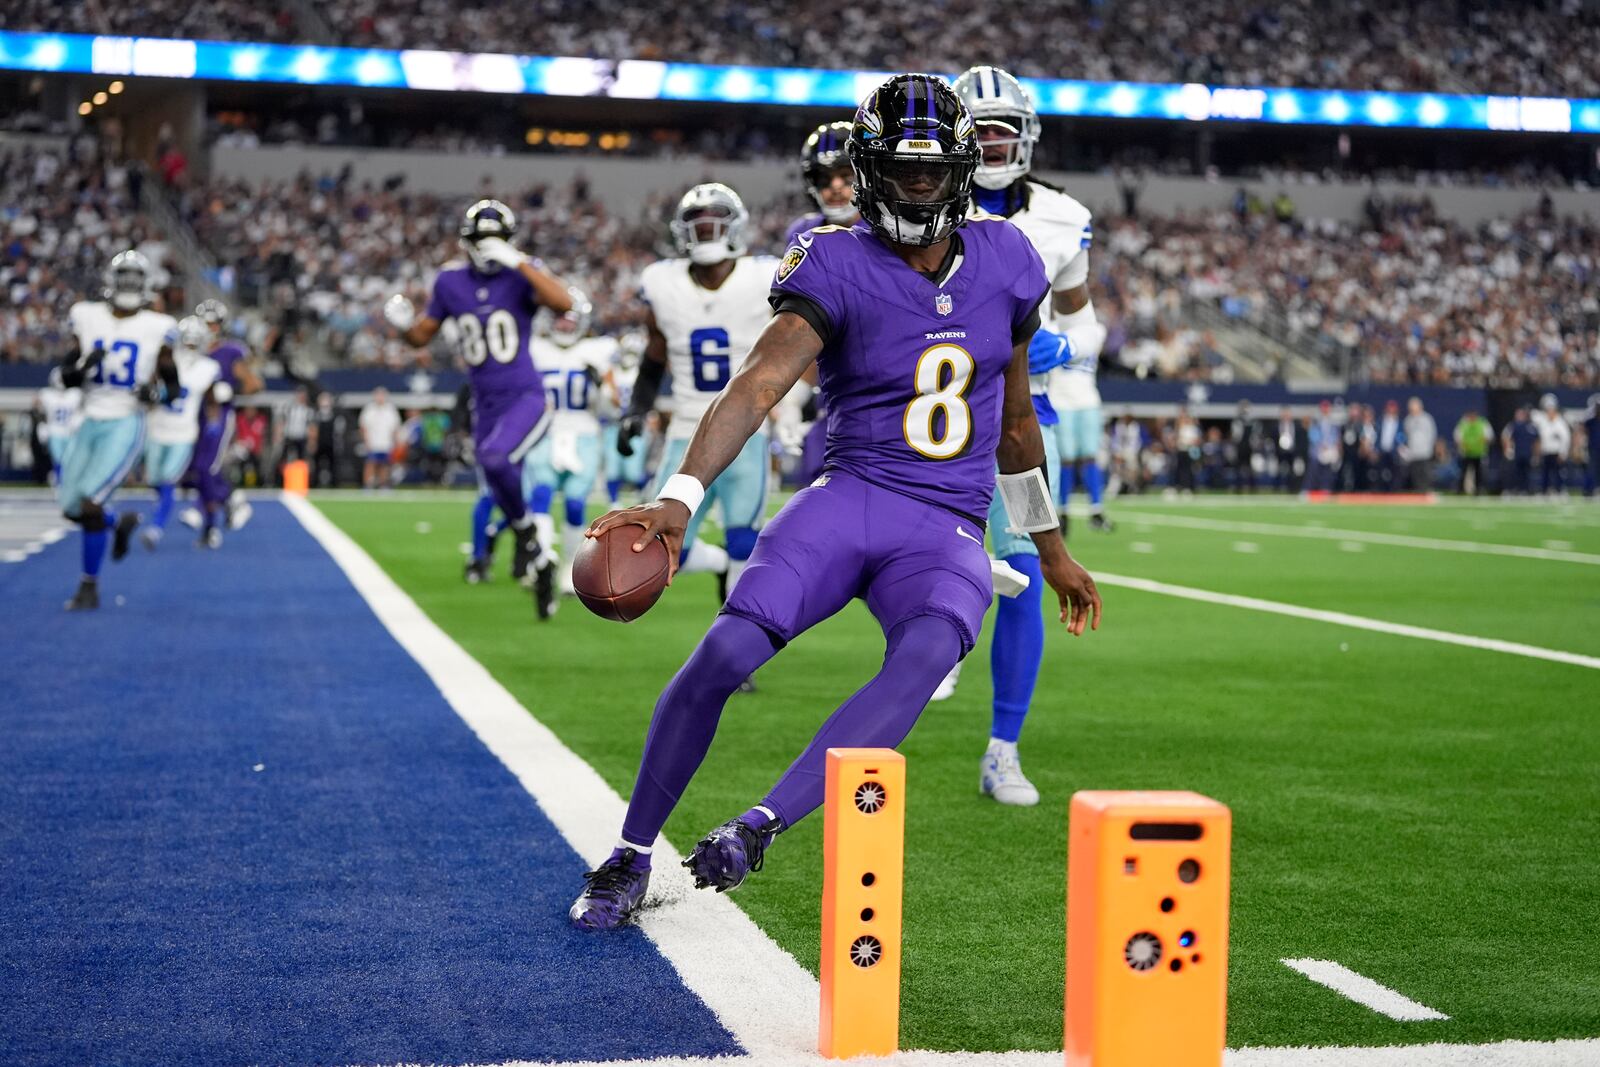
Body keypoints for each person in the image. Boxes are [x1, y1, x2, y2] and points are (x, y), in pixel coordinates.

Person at [568, 74, 1100, 931]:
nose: (915, 187)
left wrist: (1051, 545)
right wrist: (679, 496)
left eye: (931, 172)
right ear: (868, 169)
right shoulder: (836, 256)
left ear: (960, 173)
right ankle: (631, 851)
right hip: (850, 495)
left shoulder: (1009, 257)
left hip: (949, 526)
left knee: (927, 653)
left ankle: (759, 824)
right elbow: (759, 383)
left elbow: (1017, 422)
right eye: (898, 170)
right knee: (726, 650)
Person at [923, 64, 1104, 805]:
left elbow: (1082, 313)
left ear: (1025, 134)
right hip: (935, 413)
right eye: (982, 126)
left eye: (1004, 127)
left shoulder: (1063, 216)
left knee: (1025, 572)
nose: (994, 141)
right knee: (913, 549)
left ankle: (1004, 748)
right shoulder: (923, 199)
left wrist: (1062, 345)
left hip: (1027, 418)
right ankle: (942, 625)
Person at [384, 198, 574, 586]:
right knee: (496, 479)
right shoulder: (450, 281)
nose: (488, 247)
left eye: (496, 239)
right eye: (482, 240)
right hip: (483, 403)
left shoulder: (521, 273)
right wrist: (404, 326)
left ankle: (523, 535)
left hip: (525, 396)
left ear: (509, 240)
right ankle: (534, 558)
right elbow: (423, 335)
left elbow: (563, 303)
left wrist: (516, 260)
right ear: (466, 242)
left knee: (494, 459)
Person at [620, 183, 777, 613]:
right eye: (698, 225)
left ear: (735, 228)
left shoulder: (764, 276)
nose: (706, 233)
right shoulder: (662, 282)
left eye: (714, 224)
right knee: (660, 541)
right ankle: (719, 565)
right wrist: (637, 408)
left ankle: (734, 644)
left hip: (747, 428)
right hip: (688, 429)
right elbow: (654, 355)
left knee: (744, 539)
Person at [56, 250, 180, 610]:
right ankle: (118, 522)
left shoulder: (158, 326)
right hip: (89, 418)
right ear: (111, 282)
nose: (128, 286)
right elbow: (66, 375)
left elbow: (173, 387)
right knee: (71, 508)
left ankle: (88, 587)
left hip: (126, 420)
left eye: (134, 280)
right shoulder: (86, 315)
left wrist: (153, 393)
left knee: (90, 501)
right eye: (123, 278)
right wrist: (79, 370)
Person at [524, 290, 619, 609]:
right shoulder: (535, 349)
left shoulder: (599, 350)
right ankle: (543, 560)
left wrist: (602, 386)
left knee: (576, 504)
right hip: (545, 432)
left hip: (584, 434)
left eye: (570, 320)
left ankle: (566, 568)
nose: (564, 327)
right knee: (541, 495)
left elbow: (612, 407)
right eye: (560, 319)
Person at [140, 316, 220, 550]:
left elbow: (212, 400)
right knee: (154, 480)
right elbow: (150, 388)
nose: (190, 348)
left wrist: (214, 424)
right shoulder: (163, 362)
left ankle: (156, 528)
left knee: (167, 481)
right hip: (157, 429)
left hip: (184, 434)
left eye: (195, 343)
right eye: (187, 342)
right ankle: (169, 509)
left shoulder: (207, 368)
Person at [783, 121, 860, 248]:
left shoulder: (884, 235)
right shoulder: (801, 232)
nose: (836, 187)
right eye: (824, 178)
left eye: (846, 176)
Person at [36, 366, 82, 483]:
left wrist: (79, 419)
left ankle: (66, 482)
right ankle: (59, 481)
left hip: (70, 432)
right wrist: (42, 424)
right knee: (58, 460)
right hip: (55, 431)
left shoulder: (75, 394)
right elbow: (37, 408)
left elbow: (84, 408)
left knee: (69, 460)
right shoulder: (46, 394)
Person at [358, 386, 401, 490]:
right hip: (373, 442)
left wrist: (395, 442)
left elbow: (395, 428)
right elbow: (363, 427)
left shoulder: (391, 409)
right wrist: (366, 441)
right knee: (371, 464)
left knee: (385, 465)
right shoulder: (369, 409)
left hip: (386, 442)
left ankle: (383, 484)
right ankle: (368, 484)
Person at [1531, 394, 1571, 495]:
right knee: (1545, 473)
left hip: (1556, 452)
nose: (1549, 411)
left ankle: (1559, 490)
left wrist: (1563, 453)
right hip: (1546, 451)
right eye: (1547, 409)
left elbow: (1566, 439)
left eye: (1551, 409)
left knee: (1558, 473)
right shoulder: (1543, 421)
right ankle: (1545, 491)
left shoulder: (1560, 422)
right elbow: (1534, 416)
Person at [1401, 396, 1437, 492]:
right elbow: (1406, 436)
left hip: (1425, 452)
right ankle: (1417, 493)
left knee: (1425, 474)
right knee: (1415, 475)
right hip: (1413, 453)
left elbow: (1432, 435)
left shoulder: (1427, 419)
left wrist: (1430, 448)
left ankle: (1426, 491)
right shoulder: (1408, 420)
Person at [276, 385, 313, 476]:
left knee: (301, 460)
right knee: (283, 459)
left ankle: (300, 478)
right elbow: (282, 422)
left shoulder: (308, 410)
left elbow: (312, 426)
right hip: (289, 436)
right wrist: (279, 434)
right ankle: (279, 478)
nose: (301, 396)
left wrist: (312, 440)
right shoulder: (289, 408)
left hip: (301, 438)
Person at [1453, 409, 1491, 495]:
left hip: (1479, 453)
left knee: (1479, 473)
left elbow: (1488, 437)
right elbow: (1457, 437)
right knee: (1463, 472)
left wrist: (1478, 444)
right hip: (1466, 453)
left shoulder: (1483, 423)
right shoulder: (1463, 424)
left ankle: (1478, 489)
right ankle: (1461, 489)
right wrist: (1463, 446)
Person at [309, 391, 342, 487]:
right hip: (319, 443)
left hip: (331, 443)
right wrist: (312, 442)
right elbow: (312, 429)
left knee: (333, 465)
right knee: (316, 465)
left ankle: (334, 484)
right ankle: (315, 483)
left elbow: (338, 432)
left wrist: (338, 444)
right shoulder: (316, 415)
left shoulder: (335, 415)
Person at [1502, 407, 1537, 494]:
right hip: (1516, 453)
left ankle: (1525, 490)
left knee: (1526, 473)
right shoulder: (1512, 425)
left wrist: (1536, 454)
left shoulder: (1530, 426)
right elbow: (1505, 437)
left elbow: (1536, 441)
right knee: (1514, 472)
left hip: (1527, 453)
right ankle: (1514, 489)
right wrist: (1508, 449)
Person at [1228, 399, 1259, 493]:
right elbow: (1236, 435)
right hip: (1240, 446)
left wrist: (1254, 444)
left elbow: (1255, 435)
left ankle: (1252, 487)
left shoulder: (1252, 421)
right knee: (1239, 467)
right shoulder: (1238, 420)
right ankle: (1239, 487)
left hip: (1248, 446)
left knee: (1249, 467)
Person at [1375, 399, 1405, 491]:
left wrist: (1399, 446)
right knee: (1381, 472)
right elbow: (1377, 435)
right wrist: (1376, 448)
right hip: (1382, 450)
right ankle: (1381, 491)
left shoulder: (1399, 422)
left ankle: (1394, 491)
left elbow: (1401, 436)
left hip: (1394, 451)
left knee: (1395, 473)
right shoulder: (1380, 421)